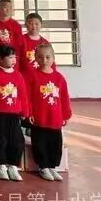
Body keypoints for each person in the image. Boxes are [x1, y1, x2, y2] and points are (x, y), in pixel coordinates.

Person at [0, 44, 30, 181]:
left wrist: (25, 111)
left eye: (14, 57)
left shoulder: (18, 75)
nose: (13, 60)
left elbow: (23, 95)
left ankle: (13, 165)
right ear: (0, 59)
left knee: (16, 140)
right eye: (10, 57)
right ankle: (0, 165)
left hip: (14, 114)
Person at [27, 43, 72, 181]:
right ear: (35, 58)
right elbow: (28, 97)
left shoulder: (59, 78)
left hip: (55, 118)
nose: (44, 60)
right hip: (39, 118)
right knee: (40, 143)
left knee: (55, 144)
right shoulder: (32, 76)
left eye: (48, 57)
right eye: (40, 57)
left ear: (53, 58)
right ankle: (43, 167)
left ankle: (52, 166)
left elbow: (64, 98)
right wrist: (30, 113)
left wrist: (66, 114)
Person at [19, 13, 52, 80]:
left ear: (41, 25)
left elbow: (51, 61)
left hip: (41, 77)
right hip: (24, 77)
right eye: (30, 23)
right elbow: (15, 59)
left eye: (36, 24)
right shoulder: (20, 40)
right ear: (26, 24)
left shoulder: (46, 43)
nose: (34, 26)